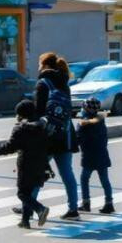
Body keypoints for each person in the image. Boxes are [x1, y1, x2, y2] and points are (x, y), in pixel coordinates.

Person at [35, 52, 80, 220]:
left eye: (40, 64)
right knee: (67, 173)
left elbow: (39, 111)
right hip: (65, 133)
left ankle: (29, 204)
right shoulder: (64, 84)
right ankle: (73, 209)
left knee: (36, 170)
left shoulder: (43, 83)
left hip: (47, 136)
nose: (38, 67)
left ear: (45, 66)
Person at [0, 100, 51, 229]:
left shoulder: (21, 128)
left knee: (22, 194)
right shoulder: (42, 126)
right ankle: (25, 221)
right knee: (28, 193)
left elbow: (10, 147)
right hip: (40, 163)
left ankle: (40, 209)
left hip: (26, 164)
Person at [76, 98, 114, 214]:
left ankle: (86, 203)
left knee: (84, 179)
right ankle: (109, 203)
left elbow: (78, 138)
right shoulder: (100, 120)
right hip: (102, 154)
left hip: (89, 155)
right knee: (104, 180)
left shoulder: (84, 123)